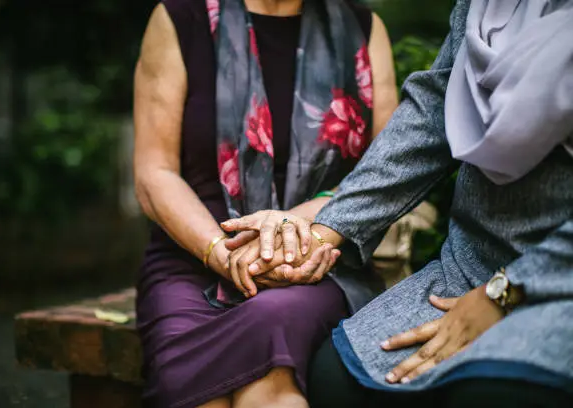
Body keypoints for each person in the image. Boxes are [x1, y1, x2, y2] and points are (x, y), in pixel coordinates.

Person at [224, 0, 573, 407]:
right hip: (470, 266)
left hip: (557, 275)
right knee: (337, 379)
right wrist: (326, 230)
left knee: (494, 391)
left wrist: (506, 292)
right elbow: (432, 112)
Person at [132, 0, 399, 406]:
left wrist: (287, 233)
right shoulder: (180, 18)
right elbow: (155, 172)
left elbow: (388, 173)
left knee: (271, 363)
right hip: (193, 257)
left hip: (317, 260)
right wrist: (221, 253)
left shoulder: (362, 28)